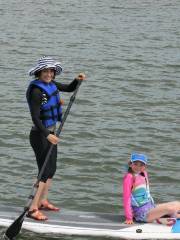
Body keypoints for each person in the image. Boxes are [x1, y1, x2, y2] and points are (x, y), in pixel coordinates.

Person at [26, 56, 85, 220]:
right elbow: (36, 118)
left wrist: (76, 80)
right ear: (39, 72)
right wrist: (47, 135)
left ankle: (43, 201)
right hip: (40, 135)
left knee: (51, 169)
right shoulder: (37, 91)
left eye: (51, 71)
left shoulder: (51, 84)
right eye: (45, 71)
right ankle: (32, 208)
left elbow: (68, 88)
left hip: (51, 134)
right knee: (43, 173)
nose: (49, 74)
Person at [123, 153, 180, 225]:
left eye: (141, 165)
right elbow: (126, 199)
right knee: (170, 208)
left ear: (145, 166)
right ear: (131, 164)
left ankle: (171, 216)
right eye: (135, 164)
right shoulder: (129, 177)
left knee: (177, 204)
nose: (138, 167)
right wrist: (129, 218)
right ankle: (172, 216)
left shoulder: (143, 173)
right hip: (142, 214)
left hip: (150, 207)